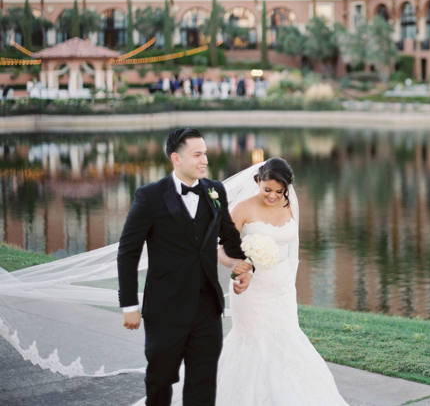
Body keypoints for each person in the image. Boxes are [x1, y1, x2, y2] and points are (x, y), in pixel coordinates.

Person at [117, 128, 253, 406]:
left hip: (207, 308)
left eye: (206, 153)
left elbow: (229, 236)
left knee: (203, 385)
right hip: (165, 308)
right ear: (176, 158)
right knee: (160, 381)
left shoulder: (215, 190)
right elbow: (128, 252)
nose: (205, 160)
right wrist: (129, 305)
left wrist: (244, 267)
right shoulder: (149, 197)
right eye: (198, 155)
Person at [213, 158, 349, 406]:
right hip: (251, 290)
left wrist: (289, 283)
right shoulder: (242, 209)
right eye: (267, 190)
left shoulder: (290, 207)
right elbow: (221, 249)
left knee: (286, 341)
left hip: (282, 289)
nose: (273, 196)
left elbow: (290, 251)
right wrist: (236, 266)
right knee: (252, 343)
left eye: (279, 191)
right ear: (258, 181)